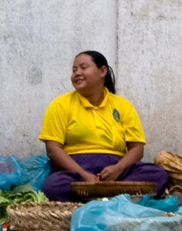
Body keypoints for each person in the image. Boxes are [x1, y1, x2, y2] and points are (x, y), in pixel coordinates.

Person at [40, 51, 169, 201]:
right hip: (75, 171)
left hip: (117, 172)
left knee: (157, 175)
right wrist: (84, 176)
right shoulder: (60, 105)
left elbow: (137, 148)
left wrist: (118, 169)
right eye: (74, 70)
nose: (77, 73)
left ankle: (98, 198)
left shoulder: (122, 106)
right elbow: (53, 149)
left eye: (83, 67)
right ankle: (118, 199)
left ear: (102, 71)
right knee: (53, 185)